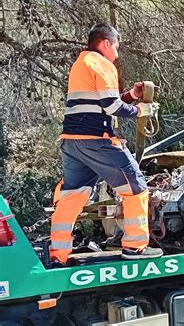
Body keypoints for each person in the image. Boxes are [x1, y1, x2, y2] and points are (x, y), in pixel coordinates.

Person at [50, 23, 163, 266]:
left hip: (73, 142)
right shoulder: (103, 64)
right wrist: (141, 110)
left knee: (71, 196)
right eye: (117, 47)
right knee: (136, 188)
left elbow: (102, 103)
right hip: (97, 141)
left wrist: (132, 96)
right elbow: (112, 108)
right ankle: (135, 247)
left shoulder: (81, 63)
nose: (117, 54)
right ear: (106, 43)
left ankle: (58, 254)